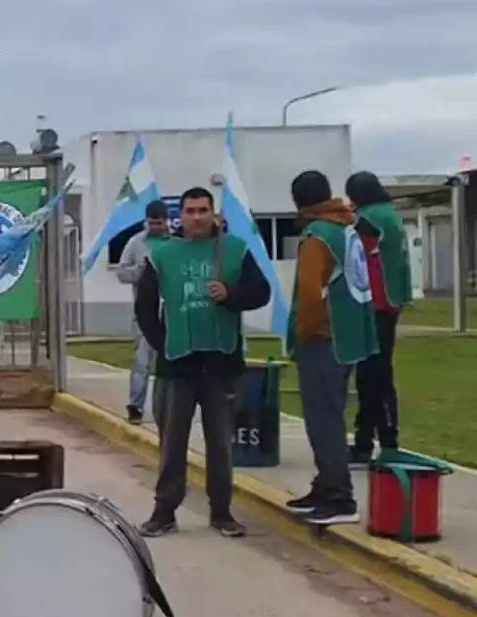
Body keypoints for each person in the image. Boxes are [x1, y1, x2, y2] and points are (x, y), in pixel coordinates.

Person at [134, 187, 271, 539]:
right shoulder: (161, 254)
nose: (197, 216)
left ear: (213, 213)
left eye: (203, 210)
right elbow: (145, 307)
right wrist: (163, 346)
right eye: (190, 210)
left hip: (221, 363)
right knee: (172, 442)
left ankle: (222, 512)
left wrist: (231, 295)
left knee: (221, 443)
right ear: (181, 215)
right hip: (177, 365)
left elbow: (261, 292)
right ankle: (164, 510)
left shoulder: (235, 250)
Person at [285, 170, 379, 525]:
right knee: (331, 415)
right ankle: (326, 485)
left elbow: (309, 296)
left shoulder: (316, 237)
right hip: (347, 337)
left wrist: (302, 336)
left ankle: (339, 498)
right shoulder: (345, 229)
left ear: (298, 202)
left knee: (323, 419)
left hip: (322, 339)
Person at [345, 171, 411, 466]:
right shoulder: (390, 215)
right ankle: (379, 440)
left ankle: (375, 443)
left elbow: (347, 238)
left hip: (374, 303)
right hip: (392, 302)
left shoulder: (367, 219)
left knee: (373, 377)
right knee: (379, 374)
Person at [115, 200, 172, 424]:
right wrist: (139, 271)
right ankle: (135, 406)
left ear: (166, 221)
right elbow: (121, 273)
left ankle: (167, 406)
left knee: (170, 363)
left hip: (172, 311)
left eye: (159, 223)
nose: (156, 227)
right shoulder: (136, 243)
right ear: (146, 221)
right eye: (152, 223)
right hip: (145, 310)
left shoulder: (176, 242)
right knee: (141, 361)